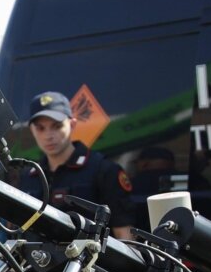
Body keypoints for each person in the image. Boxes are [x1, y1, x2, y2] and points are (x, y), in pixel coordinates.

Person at [14, 91, 141, 239]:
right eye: (41, 128)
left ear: (72, 124)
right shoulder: (29, 177)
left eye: (57, 126)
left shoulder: (103, 170)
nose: (48, 135)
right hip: (37, 260)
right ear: (32, 131)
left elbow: (125, 236)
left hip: (89, 261)